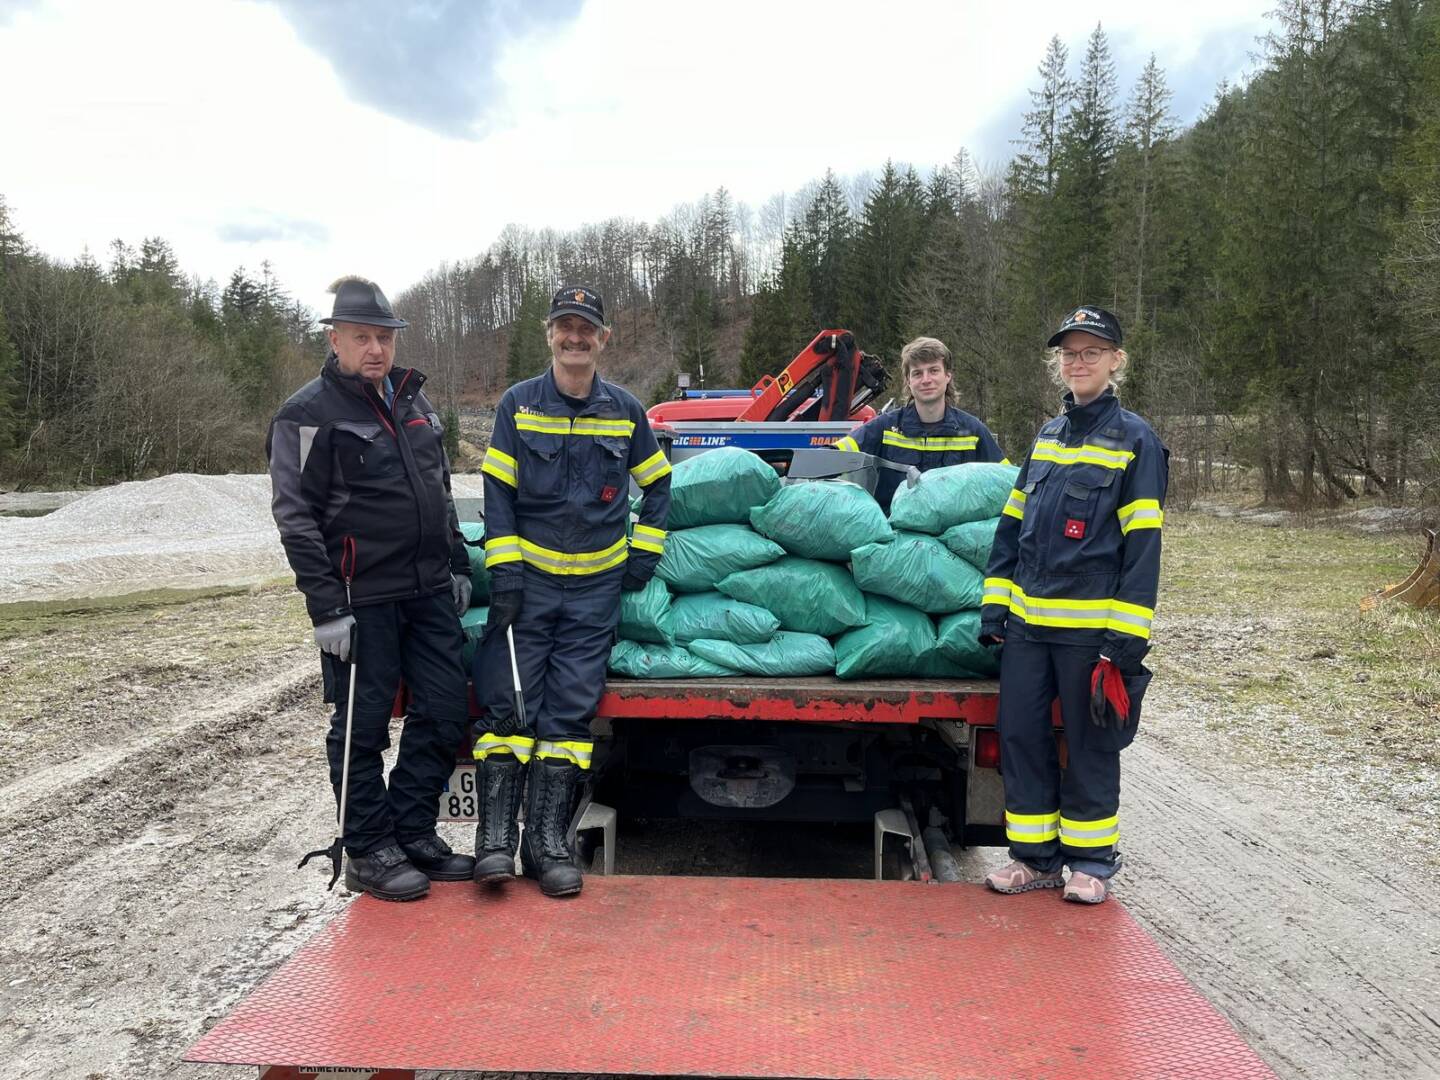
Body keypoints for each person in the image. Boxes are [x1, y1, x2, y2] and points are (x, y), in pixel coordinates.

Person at [268, 276, 475, 902]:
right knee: (360, 727)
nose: (376, 349)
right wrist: (327, 608)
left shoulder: (416, 403)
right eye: (362, 337)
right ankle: (366, 847)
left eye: (384, 336)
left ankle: (411, 830)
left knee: (443, 712)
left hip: (430, 590)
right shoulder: (307, 414)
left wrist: (460, 562)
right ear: (335, 339)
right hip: (361, 600)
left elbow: (439, 492)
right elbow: (294, 514)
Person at [474, 285, 671, 898]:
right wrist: (504, 570)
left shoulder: (627, 411)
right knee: (509, 711)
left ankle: (548, 848)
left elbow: (659, 487)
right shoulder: (518, 405)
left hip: (593, 593)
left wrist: (645, 551)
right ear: (549, 334)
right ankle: (495, 843)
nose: (575, 337)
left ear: (602, 339)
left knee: (568, 718)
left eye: (586, 328)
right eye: (565, 327)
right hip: (528, 588)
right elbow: (497, 493)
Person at [979, 306, 1167, 904]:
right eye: (1069, 353)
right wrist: (994, 608)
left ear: (1116, 361)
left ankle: (1090, 862)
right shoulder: (1049, 436)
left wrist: (1127, 637)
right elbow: (1012, 528)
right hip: (1028, 630)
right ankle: (1032, 859)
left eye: (1091, 352)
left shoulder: (1137, 441)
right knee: (1021, 737)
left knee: (1089, 745)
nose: (1078, 362)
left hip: (1092, 635)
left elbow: (1143, 546)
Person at [834, 336, 1006, 512]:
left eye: (933, 371)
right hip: (895, 534)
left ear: (948, 376)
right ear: (908, 381)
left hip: (952, 536)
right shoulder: (885, 428)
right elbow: (834, 456)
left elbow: (1007, 480)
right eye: (917, 373)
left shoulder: (973, 431)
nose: (926, 380)